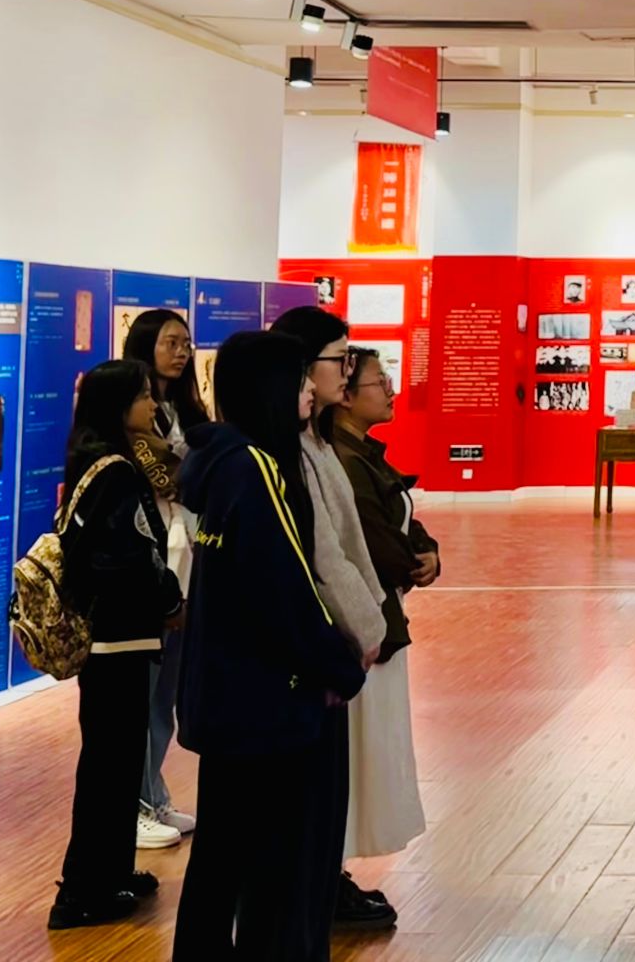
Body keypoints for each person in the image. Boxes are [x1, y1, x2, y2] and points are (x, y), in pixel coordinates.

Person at [172, 330, 368, 960]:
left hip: (224, 696)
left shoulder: (218, 465)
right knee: (274, 863)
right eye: (299, 377)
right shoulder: (257, 469)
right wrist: (342, 666)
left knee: (219, 856)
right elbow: (289, 589)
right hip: (265, 703)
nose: (310, 389)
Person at [270, 305, 394, 940]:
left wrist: (369, 619)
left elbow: (350, 550)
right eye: (338, 359)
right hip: (315, 657)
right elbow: (324, 557)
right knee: (298, 820)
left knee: (321, 813)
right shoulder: (287, 453)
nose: (348, 371)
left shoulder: (317, 443)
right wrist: (367, 629)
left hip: (337, 649)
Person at [50, 361, 186, 929]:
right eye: (144, 396)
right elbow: (129, 555)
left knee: (113, 764)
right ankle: (84, 891)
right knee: (110, 767)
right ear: (118, 405)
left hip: (111, 639)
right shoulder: (117, 471)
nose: (153, 405)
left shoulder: (93, 459)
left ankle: (110, 873)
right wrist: (169, 598)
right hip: (120, 639)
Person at [330, 348, 439, 865]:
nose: (391, 390)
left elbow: (400, 514)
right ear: (346, 395)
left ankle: (339, 868)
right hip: (363, 626)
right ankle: (332, 869)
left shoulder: (363, 455)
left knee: (371, 750)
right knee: (356, 754)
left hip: (381, 618)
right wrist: (412, 562)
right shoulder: (345, 461)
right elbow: (372, 541)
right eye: (380, 381)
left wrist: (426, 550)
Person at [121, 308, 209, 848]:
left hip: (189, 564)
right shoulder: (129, 426)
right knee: (141, 692)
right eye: (170, 343)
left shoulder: (185, 412)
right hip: (151, 569)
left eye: (186, 344)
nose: (181, 352)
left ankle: (153, 793)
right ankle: (132, 803)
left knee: (166, 694)